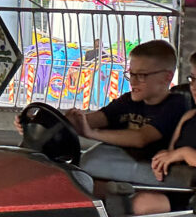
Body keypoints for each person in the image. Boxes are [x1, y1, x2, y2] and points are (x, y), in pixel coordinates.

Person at [66, 40, 188, 208]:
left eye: (142, 75)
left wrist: (91, 134)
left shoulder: (176, 104)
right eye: (131, 74)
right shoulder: (128, 101)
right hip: (121, 174)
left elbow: (142, 137)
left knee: (135, 202)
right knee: (75, 186)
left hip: (159, 180)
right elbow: (94, 119)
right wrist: (64, 120)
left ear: (166, 77)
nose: (133, 81)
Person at [128, 52, 196, 214]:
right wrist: (163, 159)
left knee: (143, 204)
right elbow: (172, 153)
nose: (193, 86)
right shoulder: (189, 117)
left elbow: (181, 153)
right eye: (192, 78)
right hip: (181, 188)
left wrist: (184, 153)